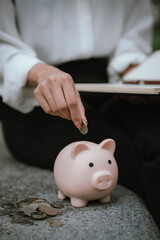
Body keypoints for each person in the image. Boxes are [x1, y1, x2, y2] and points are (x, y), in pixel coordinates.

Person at [0, 0, 160, 229]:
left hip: (110, 81)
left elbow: (134, 27)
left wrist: (132, 68)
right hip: (32, 89)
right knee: (128, 160)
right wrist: (38, 72)